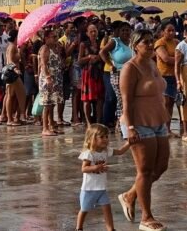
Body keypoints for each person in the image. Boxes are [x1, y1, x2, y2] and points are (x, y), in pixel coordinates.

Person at [118, 30, 170, 231]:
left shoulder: (152, 62)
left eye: (151, 42)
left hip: (157, 120)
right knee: (145, 170)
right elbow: (126, 101)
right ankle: (146, 217)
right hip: (137, 122)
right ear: (135, 45)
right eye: (145, 42)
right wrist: (130, 128)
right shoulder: (130, 68)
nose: (150, 45)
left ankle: (130, 195)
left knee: (161, 166)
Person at [75, 124, 131, 231]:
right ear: (92, 139)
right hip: (89, 189)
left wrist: (129, 143)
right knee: (84, 209)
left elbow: (120, 152)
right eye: (102, 137)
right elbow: (84, 169)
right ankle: (79, 228)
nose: (105, 139)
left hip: (101, 188)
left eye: (106, 137)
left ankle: (110, 228)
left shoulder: (106, 151)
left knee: (107, 208)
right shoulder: (89, 154)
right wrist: (96, 167)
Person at [154, 23, 179, 137]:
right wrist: (179, 59)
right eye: (169, 30)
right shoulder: (160, 43)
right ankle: (161, 128)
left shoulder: (176, 42)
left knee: (171, 103)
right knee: (165, 103)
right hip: (163, 75)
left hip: (174, 75)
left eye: (173, 30)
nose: (171, 33)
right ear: (163, 31)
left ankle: (167, 129)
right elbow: (165, 58)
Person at [39, 28, 64, 137]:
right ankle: (45, 128)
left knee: (53, 102)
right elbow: (43, 64)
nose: (56, 39)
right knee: (47, 104)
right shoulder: (45, 48)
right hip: (48, 79)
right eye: (53, 37)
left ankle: (52, 125)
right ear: (46, 38)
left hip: (56, 78)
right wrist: (48, 77)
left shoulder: (55, 48)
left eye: (56, 36)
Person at [80, 24, 104, 125]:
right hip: (88, 73)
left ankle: (98, 121)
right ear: (87, 33)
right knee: (87, 99)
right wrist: (89, 57)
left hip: (99, 72)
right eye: (91, 31)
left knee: (99, 99)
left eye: (95, 31)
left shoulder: (101, 43)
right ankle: (89, 122)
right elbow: (79, 61)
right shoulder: (83, 44)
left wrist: (98, 57)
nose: (93, 33)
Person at [4, 30, 27, 125]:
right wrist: (15, 69)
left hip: (14, 74)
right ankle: (10, 118)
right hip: (12, 74)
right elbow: (9, 60)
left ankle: (16, 117)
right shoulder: (12, 47)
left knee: (14, 96)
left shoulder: (14, 47)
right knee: (13, 95)